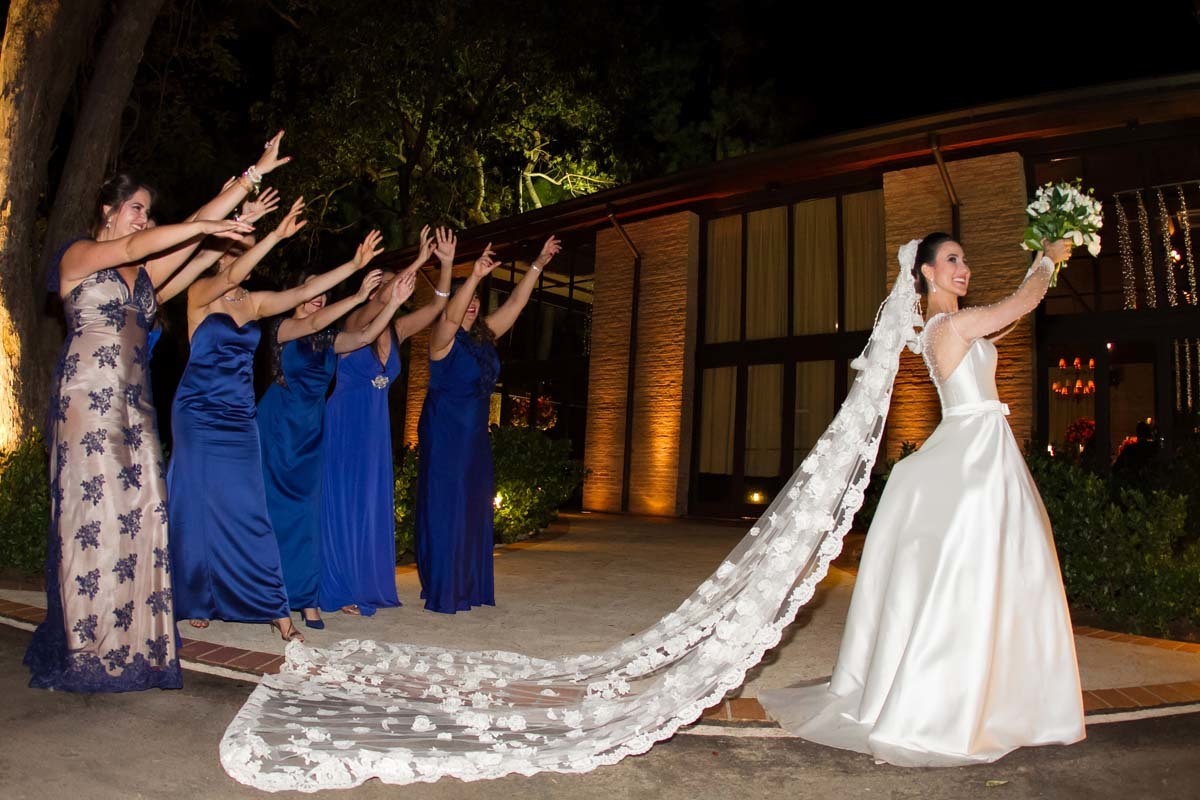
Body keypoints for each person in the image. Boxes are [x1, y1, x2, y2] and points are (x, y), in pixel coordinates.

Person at [760, 234, 1085, 766]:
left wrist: (1039, 262)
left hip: (985, 448)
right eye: (952, 260)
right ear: (928, 273)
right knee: (972, 573)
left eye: (964, 260)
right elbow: (1021, 303)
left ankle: (997, 693)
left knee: (1000, 571)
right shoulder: (947, 327)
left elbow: (1009, 318)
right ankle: (949, 699)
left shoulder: (958, 325)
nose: (964, 268)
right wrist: (1047, 259)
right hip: (973, 457)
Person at [25, 163, 264, 691]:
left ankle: (139, 644)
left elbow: (195, 230)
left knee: (144, 513)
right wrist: (208, 223)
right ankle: (92, 648)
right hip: (88, 403)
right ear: (109, 210)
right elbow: (155, 242)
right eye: (136, 208)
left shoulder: (144, 277)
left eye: (149, 213)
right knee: (96, 517)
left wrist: (245, 184)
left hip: (136, 407)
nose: (143, 219)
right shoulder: (79, 254)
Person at [167, 198, 372, 642]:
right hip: (199, 411)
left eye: (249, 245)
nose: (242, 254)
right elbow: (230, 277)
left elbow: (305, 301)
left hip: (240, 415)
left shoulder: (254, 302)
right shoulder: (200, 293)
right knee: (199, 504)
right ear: (222, 252)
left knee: (250, 509)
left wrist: (353, 268)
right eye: (237, 245)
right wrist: (275, 235)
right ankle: (199, 596)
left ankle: (276, 608)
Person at [258, 232, 412, 630]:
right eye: (313, 291)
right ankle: (268, 596)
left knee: (309, 516)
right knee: (273, 514)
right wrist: (359, 295)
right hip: (278, 428)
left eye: (324, 294)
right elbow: (311, 320)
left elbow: (361, 336)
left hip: (312, 430)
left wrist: (391, 302)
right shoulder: (282, 328)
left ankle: (307, 598)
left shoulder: (328, 340)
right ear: (297, 294)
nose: (319, 299)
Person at [415, 236, 560, 613]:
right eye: (467, 296)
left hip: (475, 437)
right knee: (449, 504)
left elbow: (517, 303)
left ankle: (470, 583)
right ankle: (446, 586)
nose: (473, 302)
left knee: (474, 504)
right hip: (446, 434)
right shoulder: (442, 339)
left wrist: (539, 264)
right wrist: (474, 276)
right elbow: (449, 316)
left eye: (477, 298)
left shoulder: (483, 338)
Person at [317, 226, 453, 617]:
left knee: (369, 502)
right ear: (377, 290)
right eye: (395, 285)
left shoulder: (397, 329)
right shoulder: (359, 316)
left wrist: (442, 264)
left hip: (375, 428)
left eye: (406, 284)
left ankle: (364, 581)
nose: (404, 288)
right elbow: (372, 316)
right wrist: (416, 261)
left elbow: (437, 306)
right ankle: (341, 584)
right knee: (345, 499)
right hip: (346, 420)